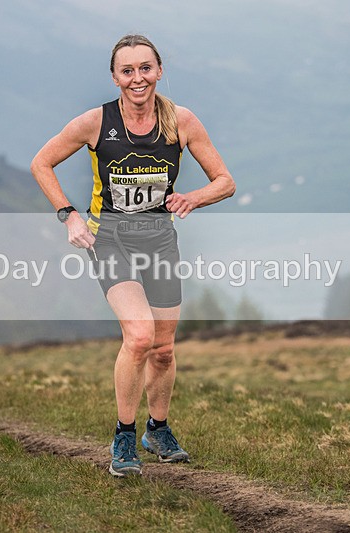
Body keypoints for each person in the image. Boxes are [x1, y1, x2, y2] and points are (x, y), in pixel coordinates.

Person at [30, 34, 235, 477]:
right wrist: (68, 215)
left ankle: (157, 430)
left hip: (160, 240)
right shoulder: (94, 123)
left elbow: (225, 181)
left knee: (163, 349)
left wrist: (194, 198)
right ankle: (124, 435)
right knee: (139, 336)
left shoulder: (182, 122)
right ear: (115, 77)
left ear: (159, 71)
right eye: (128, 71)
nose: (137, 78)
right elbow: (41, 163)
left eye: (146, 68)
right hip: (111, 240)